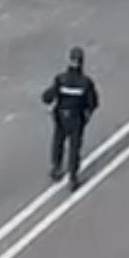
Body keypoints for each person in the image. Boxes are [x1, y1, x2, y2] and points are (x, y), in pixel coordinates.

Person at [43, 47, 99, 192]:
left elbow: (47, 97)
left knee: (58, 141)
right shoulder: (85, 82)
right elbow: (93, 103)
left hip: (61, 115)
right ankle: (73, 177)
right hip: (76, 117)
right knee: (74, 146)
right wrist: (86, 115)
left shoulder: (60, 79)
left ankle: (56, 167)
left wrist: (52, 104)